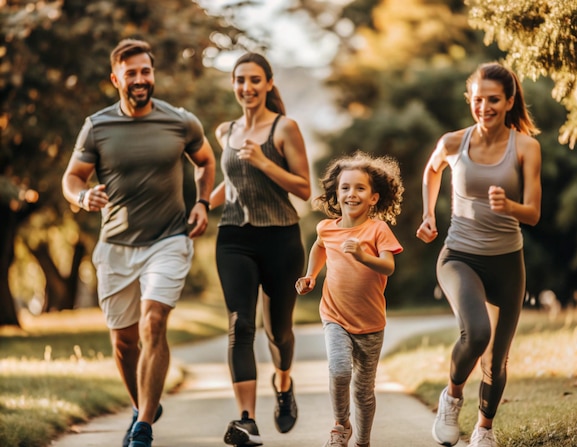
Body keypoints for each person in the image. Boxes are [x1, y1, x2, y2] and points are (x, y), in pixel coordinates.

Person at [61, 38, 215, 447]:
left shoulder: (181, 122)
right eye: (132, 73)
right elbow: (72, 177)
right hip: (115, 246)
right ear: (116, 78)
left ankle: (143, 425)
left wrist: (201, 203)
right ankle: (141, 402)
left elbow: (206, 161)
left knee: (153, 322)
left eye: (146, 71)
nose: (141, 79)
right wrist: (82, 196)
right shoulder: (97, 126)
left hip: (168, 239)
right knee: (124, 341)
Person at [416, 62, 542, 447]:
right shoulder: (455, 142)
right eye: (477, 99)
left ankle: (483, 429)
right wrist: (427, 213)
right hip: (459, 256)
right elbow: (431, 171)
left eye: (493, 100)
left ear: (508, 102)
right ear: (469, 100)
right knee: (477, 333)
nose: (484, 107)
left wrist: (511, 207)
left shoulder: (525, 147)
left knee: (496, 358)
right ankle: (452, 397)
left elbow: (533, 213)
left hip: (506, 261)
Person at [208, 52, 311, 447]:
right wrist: (202, 208)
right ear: (233, 84)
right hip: (234, 237)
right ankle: (246, 420)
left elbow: (304, 189)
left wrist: (265, 163)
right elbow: (230, 185)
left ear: (268, 84)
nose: (246, 88)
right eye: (240, 80)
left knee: (279, 332)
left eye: (254, 80)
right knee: (240, 325)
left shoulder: (284, 128)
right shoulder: (225, 131)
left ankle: (283, 383)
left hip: (281, 239)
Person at [296, 151, 404, 447]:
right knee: (340, 369)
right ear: (336, 192)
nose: (351, 194)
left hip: (370, 323)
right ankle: (341, 425)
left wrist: (361, 255)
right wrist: (311, 276)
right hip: (335, 316)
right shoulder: (326, 228)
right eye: (345, 188)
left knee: (363, 390)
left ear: (373, 197)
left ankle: (363, 441)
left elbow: (388, 266)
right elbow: (319, 247)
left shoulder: (377, 229)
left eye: (360, 188)